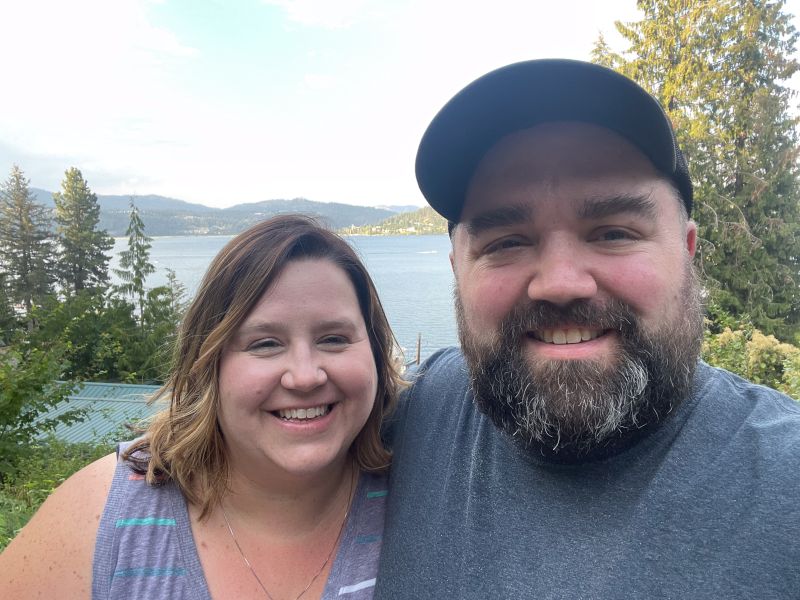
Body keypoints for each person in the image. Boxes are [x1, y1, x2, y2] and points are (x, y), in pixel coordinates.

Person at [374, 59, 800, 598]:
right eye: (506, 242)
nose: (560, 283)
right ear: (458, 268)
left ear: (688, 252)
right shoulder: (413, 414)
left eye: (614, 232)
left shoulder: (787, 483)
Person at [0, 214, 402, 600]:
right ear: (209, 365)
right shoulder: (99, 517)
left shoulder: (422, 497)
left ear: (375, 352)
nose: (305, 376)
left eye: (333, 338)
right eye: (265, 343)